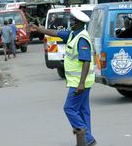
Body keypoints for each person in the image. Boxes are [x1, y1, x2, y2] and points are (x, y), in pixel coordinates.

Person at [29, 8, 96, 146]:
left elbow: (86, 62)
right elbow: (55, 32)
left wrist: (81, 83)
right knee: (83, 110)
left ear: (79, 22)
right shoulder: (73, 34)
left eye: (72, 20)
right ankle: (87, 139)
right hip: (80, 81)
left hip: (80, 82)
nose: (70, 22)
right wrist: (39, 29)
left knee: (69, 108)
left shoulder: (82, 38)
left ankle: (85, 135)